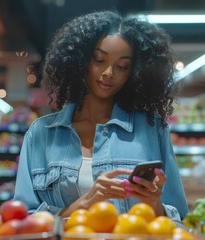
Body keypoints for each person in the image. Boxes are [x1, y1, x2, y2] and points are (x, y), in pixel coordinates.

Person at [14, 10, 188, 220]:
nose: (109, 73)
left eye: (122, 66)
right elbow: (24, 222)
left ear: (134, 72)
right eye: (99, 60)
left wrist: (155, 205)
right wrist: (85, 203)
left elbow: (180, 221)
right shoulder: (41, 134)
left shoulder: (152, 130)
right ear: (80, 61)